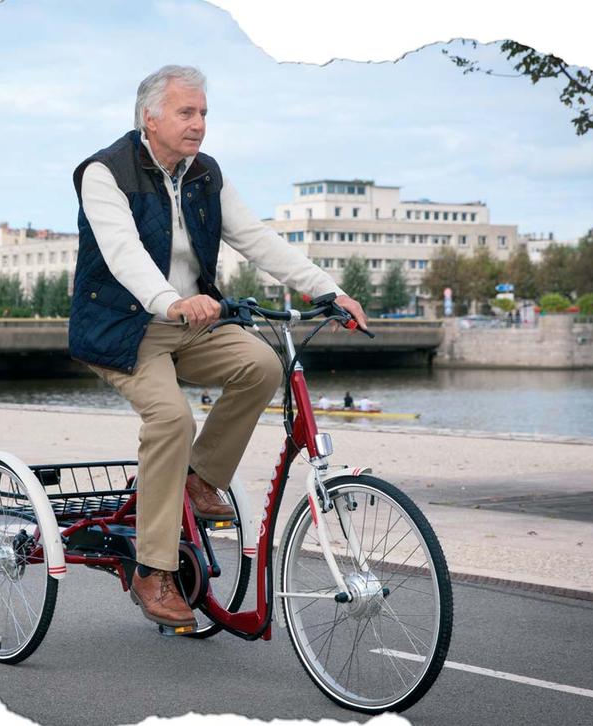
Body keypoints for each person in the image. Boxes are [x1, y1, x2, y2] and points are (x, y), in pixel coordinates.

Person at [69, 65, 367, 630]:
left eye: (204, 113)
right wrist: (170, 300)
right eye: (187, 112)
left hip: (193, 322)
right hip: (125, 327)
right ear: (149, 117)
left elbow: (256, 238)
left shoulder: (205, 174)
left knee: (259, 363)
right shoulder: (104, 173)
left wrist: (329, 289)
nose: (200, 124)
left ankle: (200, 478)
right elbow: (122, 253)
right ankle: (152, 572)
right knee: (170, 419)